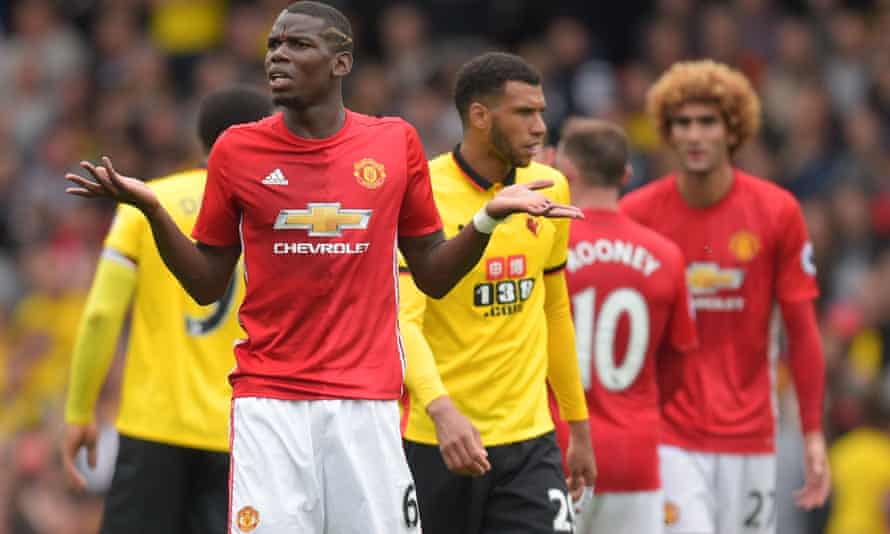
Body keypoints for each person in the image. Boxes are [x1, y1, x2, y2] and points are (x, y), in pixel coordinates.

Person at [64, 3, 581, 533]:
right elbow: (205, 283)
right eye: (273, 45)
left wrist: (487, 220)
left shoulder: (393, 142)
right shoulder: (237, 151)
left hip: (368, 404)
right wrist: (152, 210)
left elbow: (432, 274)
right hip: (270, 406)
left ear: (341, 63)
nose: (278, 56)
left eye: (297, 45)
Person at [620, 59, 831, 534]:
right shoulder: (637, 214)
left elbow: (802, 330)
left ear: (733, 129)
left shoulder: (778, 212)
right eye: (683, 123)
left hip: (752, 434)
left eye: (708, 122)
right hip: (668, 432)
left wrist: (813, 431)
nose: (695, 135)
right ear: (667, 132)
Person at [398, 52, 597, 534]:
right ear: (480, 116)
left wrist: (579, 427)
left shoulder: (551, 186)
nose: (540, 127)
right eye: (524, 113)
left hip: (530, 441)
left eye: (542, 112)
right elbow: (403, 321)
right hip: (438, 439)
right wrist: (441, 410)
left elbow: (554, 310)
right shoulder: (421, 190)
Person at [61, 85, 274, 534]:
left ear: (200, 139)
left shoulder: (146, 201)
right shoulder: (275, 216)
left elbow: (102, 313)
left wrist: (80, 412)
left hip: (152, 427)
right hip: (245, 436)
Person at [547, 118, 698, 534]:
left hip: (557, 454)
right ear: (626, 176)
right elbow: (678, 369)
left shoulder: (547, 246)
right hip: (635, 459)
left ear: (565, 173)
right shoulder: (666, 256)